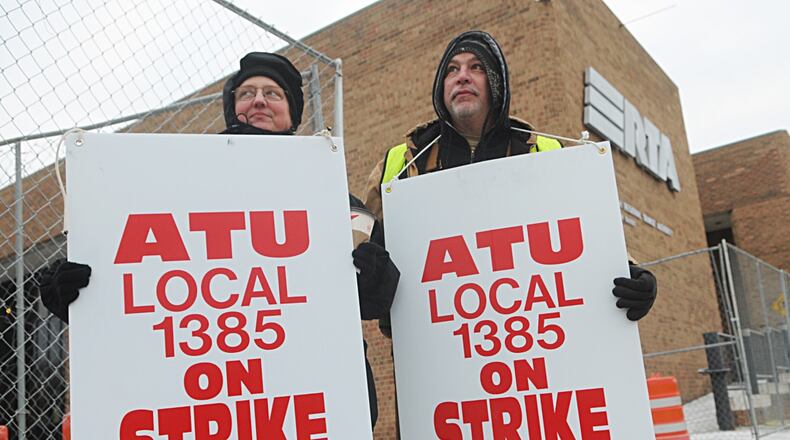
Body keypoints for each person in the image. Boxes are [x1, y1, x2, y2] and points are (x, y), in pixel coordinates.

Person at [39, 52, 398, 428]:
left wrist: (375, 275)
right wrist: (78, 295)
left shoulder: (329, 194)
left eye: (273, 93)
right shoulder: (181, 185)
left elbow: (380, 295)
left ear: (293, 113)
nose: (259, 100)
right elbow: (139, 283)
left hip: (315, 406)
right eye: (247, 93)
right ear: (232, 108)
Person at [364, 31, 657, 336]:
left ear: (496, 83)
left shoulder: (546, 151)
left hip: (531, 346)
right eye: (452, 69)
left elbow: (588, 233)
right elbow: (364, 250)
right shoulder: (401, 162)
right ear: (441, 87)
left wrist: (632, 273)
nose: (462, 76)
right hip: (429, 353)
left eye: (476, 67)